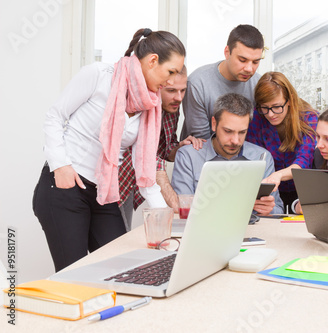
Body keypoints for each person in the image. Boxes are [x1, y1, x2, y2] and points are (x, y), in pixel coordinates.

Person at [33, 28, 185, 271]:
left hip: (103, 192)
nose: (171, 81)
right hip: (65, 187)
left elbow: (143, 169)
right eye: (170, 72)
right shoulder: (100, 76)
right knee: (74, 274)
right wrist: (61, 166)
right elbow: (54, 116)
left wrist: (164, 223)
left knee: (121, 268)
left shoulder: (150, 104)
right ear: (153, 60)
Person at [118, 66, 205, 230]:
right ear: (159, 85)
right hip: (111, 181)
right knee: (113, 242)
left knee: (120, 237)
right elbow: (147, 155)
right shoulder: (140, 106)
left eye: (182, 91)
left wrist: (179, 147)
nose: (178, 98)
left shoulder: (172, 107)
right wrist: (178, 207)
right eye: (171, 90)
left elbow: (165, 151)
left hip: (129, 185)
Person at [172, 93, 284, 216]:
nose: (235, 141)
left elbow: (279, 210)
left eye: (242, 132)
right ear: (214, 124)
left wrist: (269, 210)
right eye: (228, 131)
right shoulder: (188, 156)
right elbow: (182, 209)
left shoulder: (262, 157)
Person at [246, 72, 318, 213]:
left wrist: (277, 175)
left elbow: (303, 161)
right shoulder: (257, 119)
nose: (270, 114)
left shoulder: (309, 118)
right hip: (271, 196)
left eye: (277, 107)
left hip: (304, 195)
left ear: (290, 100)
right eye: (264, 107)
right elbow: (253, 159)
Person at [180, 24, 264, 140]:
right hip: (201, 155)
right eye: (242, 60)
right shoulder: (197, 84)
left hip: (244, 154)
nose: (249, 69)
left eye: (255, 62)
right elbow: (201, 141)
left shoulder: (259, 85)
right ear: (227, 52)